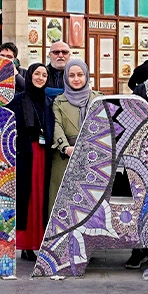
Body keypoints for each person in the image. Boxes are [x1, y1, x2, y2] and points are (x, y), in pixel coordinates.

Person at [13, 62, 54, 260]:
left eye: (44, 75)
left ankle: (39, 242)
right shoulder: (18, 100)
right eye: (36, 74)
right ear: (29, 76)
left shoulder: (48, 101)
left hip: (43, 154)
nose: (40, 78)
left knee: (41, 198)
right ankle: (26, 245)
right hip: (25, 154)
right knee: (27, 199)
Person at [49, 58, 94, 207]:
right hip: (66, 157)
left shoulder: (98, 99)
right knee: (63, 202)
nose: (76, 79)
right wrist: (66, 148)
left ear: (86, 76)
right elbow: (56, 125)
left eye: (80, 75)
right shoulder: (58, 101)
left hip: (93, 158)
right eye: (71, 75)